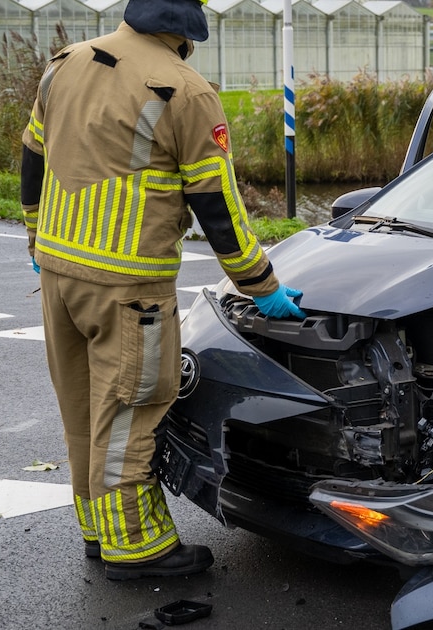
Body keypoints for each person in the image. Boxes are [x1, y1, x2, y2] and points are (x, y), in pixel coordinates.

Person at [19, 0, 304, 581]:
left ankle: (99, 531)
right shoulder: (186, 90)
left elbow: (32, 156)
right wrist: (262, 285)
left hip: (57, 270)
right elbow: (216, 205)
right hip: (130, 285)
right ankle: (137, 548)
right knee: (129, 408)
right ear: (186, 26)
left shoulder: (65, 63)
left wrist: (34, 232)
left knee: (82, 409)